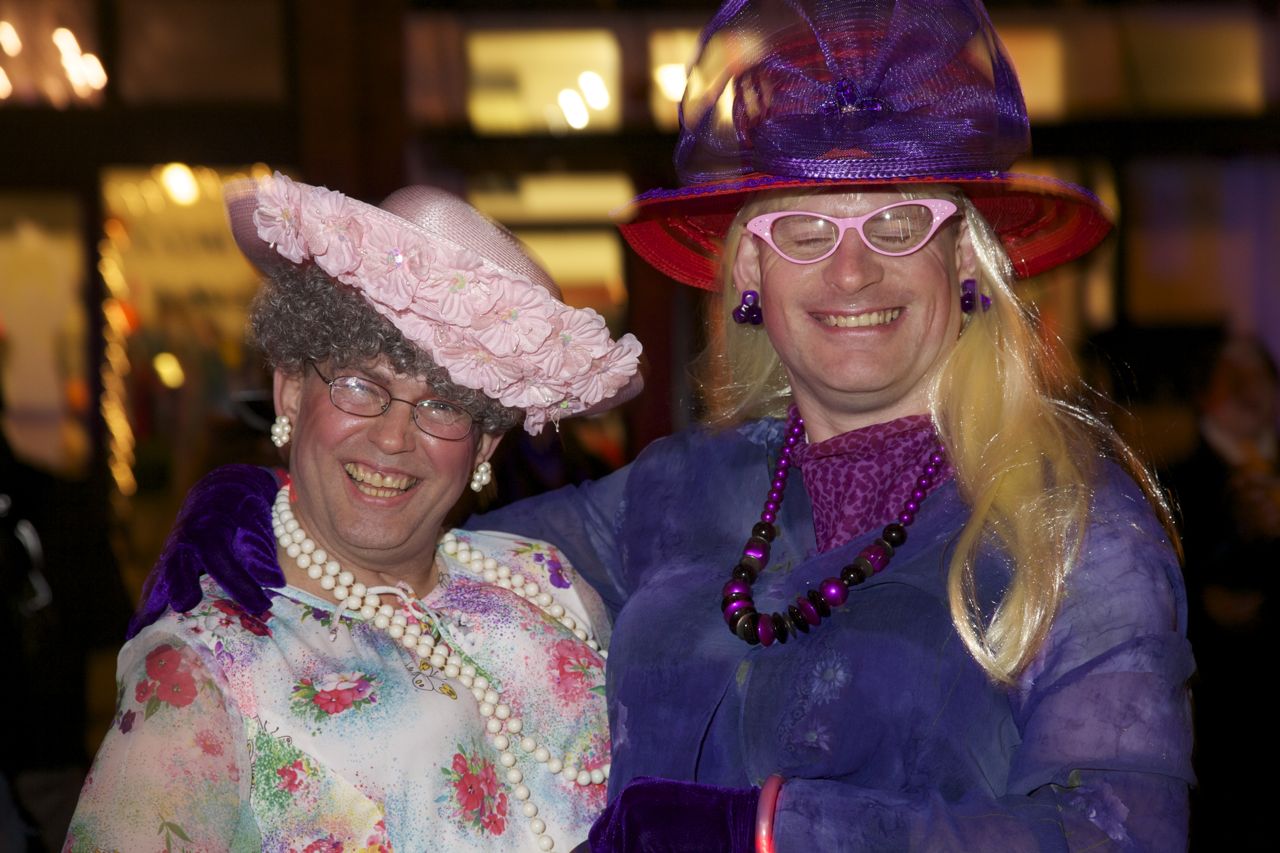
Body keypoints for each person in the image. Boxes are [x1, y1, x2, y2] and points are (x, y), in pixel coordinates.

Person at [134, 1, 1195, 849]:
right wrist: (270, 514)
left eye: (898, 223)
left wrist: (771, 830)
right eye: (804, 230)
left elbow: (1123, 831)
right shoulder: (676, 490)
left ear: (963, 259)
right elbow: (427, 545)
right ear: (748, 270)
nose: (852, 272)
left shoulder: (1078, 526)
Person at [64, 176, 642, 852]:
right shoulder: (204, 669)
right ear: (290, 389)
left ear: (485, 441)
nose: (394, 438)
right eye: (361, 385)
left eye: (442, 404)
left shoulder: (546, 581)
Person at [1165, 334, 1277, 847]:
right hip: (1221, 721)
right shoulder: (1175, 484)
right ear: (1203, 393)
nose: (1250, 390)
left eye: (1261, 376)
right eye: (1234, 379)